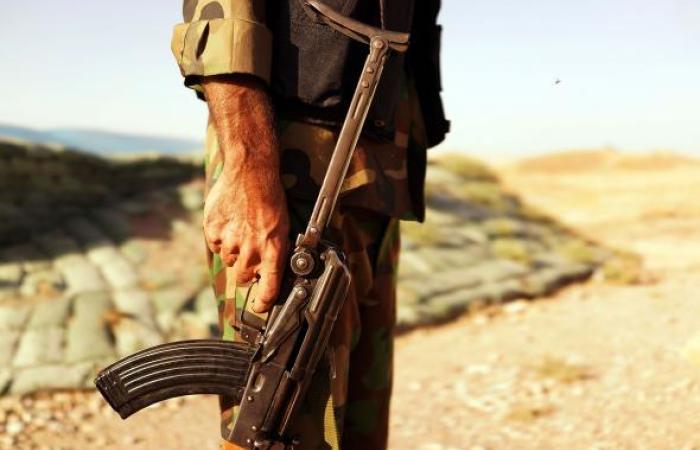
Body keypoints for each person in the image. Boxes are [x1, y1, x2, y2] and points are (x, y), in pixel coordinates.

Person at [171, 1, 448, 449]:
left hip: (380, 173)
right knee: (273, 428)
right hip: (292, 176)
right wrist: (248, 164)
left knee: (356, 432)